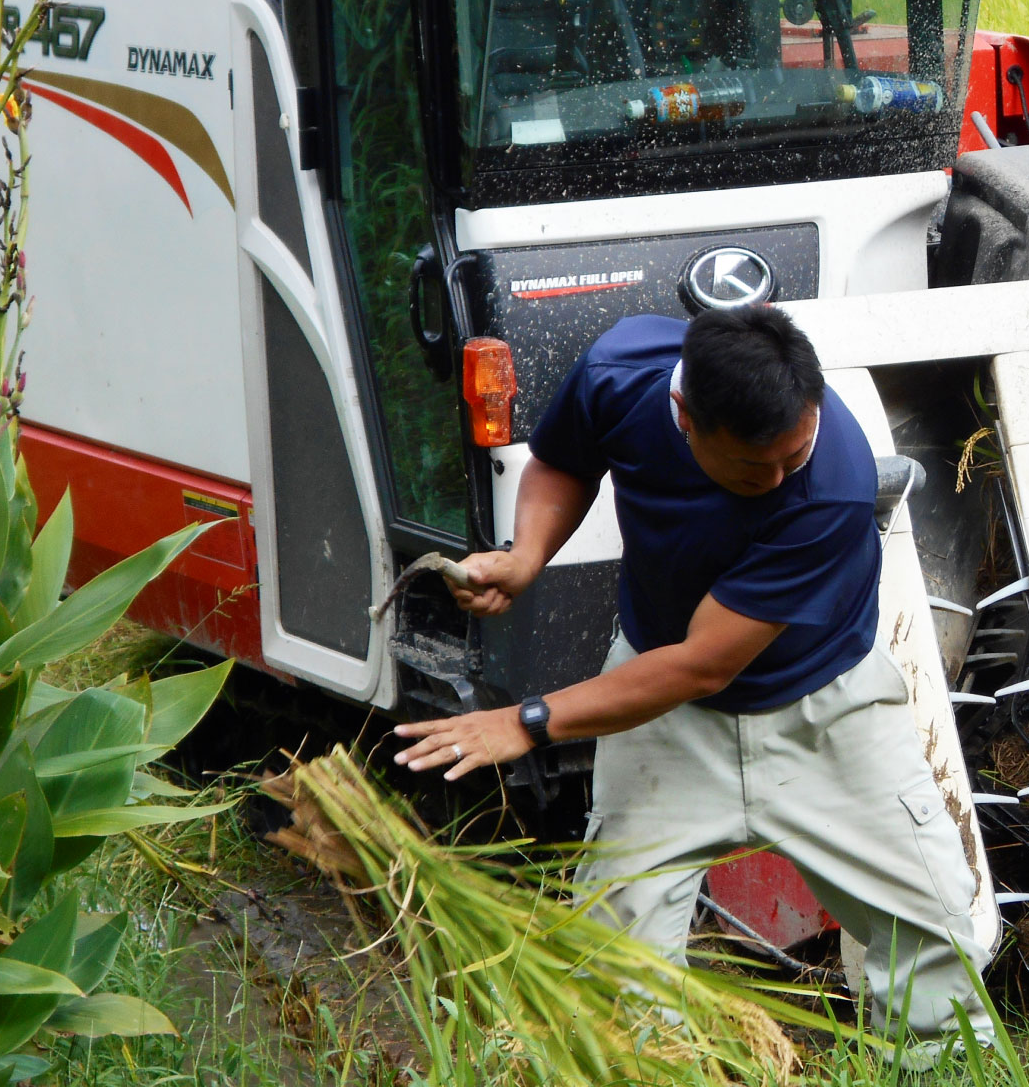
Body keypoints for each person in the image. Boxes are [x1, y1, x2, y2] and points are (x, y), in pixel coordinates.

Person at [392, 306, 991, 1049]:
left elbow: (703, 665)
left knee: (934, 927)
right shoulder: (623, 372)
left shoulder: (833, 484)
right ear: (684, 415)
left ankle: (935, 1067)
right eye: (751, 467)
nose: (776, 479)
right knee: (615, 957)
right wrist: (525, 557)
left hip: (824, 710)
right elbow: (566, 460)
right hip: (661, 715)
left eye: (791, 455)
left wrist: (525, 722)